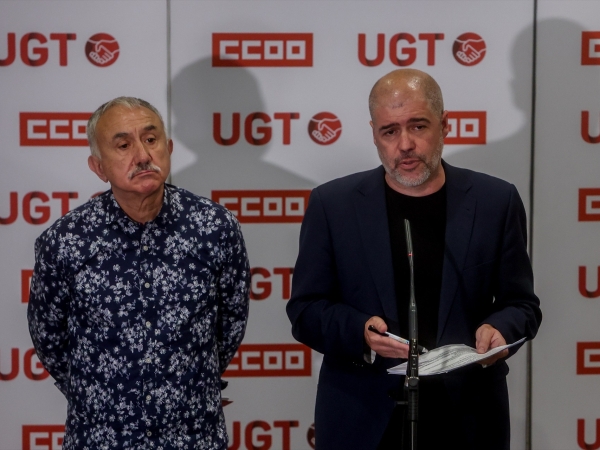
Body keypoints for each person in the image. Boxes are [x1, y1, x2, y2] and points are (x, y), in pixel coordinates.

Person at [286, 69, 542, 450]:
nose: (405, 144)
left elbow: (522, 305)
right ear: (374, 134)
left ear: (444, 125)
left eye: (418, 126)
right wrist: (360, 332)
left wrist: (500, 329)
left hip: (466, 419)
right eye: (390, 131)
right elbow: (305, 311)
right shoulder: (333, 206)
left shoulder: (495, 202)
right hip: (363, 419)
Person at [27, 97, 250, 450]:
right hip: (101, 437)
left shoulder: (215, 227)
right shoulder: (66, 240)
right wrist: (102, 395)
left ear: (169, 148)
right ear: (98, 167)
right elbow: (49, 337)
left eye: (151, 139)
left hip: (193, 434)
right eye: (123, 145)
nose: (143, 155)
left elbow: (231, 322)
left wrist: (186, 385)